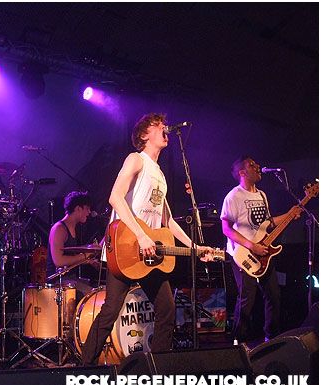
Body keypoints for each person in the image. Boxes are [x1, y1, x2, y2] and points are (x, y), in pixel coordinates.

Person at [81, 112, 213, 365]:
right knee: (111, 309)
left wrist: (195, 247)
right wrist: (141, 236)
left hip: (149, 254)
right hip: (125, 246)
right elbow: (115, 197)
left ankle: (156, 367)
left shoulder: (160, 174)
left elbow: (168, 221)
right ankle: (84, 367)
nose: (165, 127)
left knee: (167, 309)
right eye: (158, 124)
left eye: (164, 123)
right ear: (144, 135)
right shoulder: (136, 159)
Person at [220, 156, 301, 343]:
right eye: (252, 165)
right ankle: (238, 342)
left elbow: (268, 223)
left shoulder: (262, 195)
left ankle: (270, 338)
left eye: (256, 164)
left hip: (263, 252)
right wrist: (251, 246)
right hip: (242, 253)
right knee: (247, 298)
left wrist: (289, 215)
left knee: (274, 295)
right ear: (242, 173)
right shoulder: (234, 196)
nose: (257, 166)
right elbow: (226, 229)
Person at [46, 191, 99, 282]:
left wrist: (88, 261)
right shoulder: (59, 229)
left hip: (70, 280)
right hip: (58, 283)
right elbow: (59, 261)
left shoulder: (75, 228)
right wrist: (85, 256)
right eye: (87, 208)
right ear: (78, 208)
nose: (89, 212)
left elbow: (70, 257)